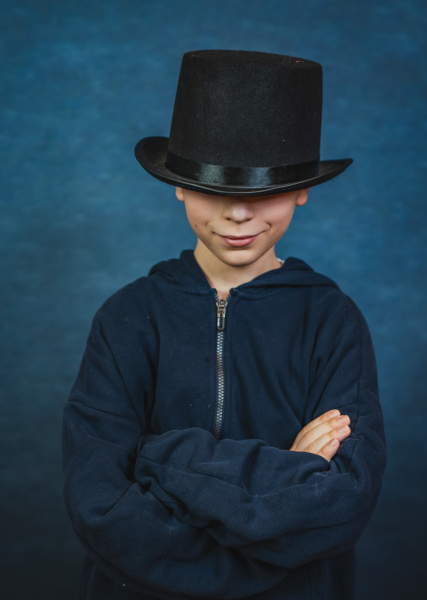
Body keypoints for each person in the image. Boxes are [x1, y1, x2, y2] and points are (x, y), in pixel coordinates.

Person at [62, 49, 387, 600]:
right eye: (216, 189)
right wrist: (286, 475)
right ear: (178, 184)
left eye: (264, 192)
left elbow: (342, 502)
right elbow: (99, 506)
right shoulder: (126, 317)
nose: (237, 214)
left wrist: (159, 457)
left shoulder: (333, 321)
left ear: (303, 189)